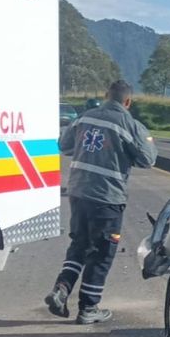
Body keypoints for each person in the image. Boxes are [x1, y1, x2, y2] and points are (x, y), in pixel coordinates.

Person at [45, 80, 158, 324]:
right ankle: (88, 308)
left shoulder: (84, 117)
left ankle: (62, 288)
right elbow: (148, 159)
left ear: (106, 95)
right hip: (107, 198)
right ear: (128, 102)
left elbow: (63, 146)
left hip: (78, 193)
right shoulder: (130, 124)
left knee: (79, 244)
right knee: (102, 252)